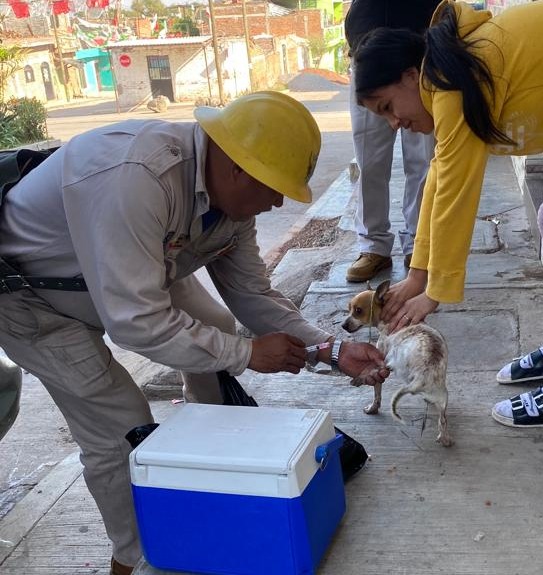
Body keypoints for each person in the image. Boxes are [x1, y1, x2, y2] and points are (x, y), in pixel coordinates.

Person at [0, 92, 388, 575]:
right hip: (31, 302)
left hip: (127, 275)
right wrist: (246, 353)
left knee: (218, 327)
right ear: (238, 168)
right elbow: (136, 322)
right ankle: (136, 558)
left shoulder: (232, 205)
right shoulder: (138, 179)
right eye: (274, 188)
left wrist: (329, 350)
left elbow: (252, 294)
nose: (277, 203)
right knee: (122, 428)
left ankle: (210, 461)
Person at [352, 0, 543, 427]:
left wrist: (435, 291)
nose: (393, 123)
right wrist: (418, 275)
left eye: (386, 107)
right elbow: (439, 178)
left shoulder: (452, 82)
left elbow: (455, 193)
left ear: (410, 76)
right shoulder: (448, 75)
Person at [343, 0, 439, 283]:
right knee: (369, 161)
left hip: (419, 49)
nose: (394, 120)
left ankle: (419, 242)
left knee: (424, 161)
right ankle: (373, 245)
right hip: (367, 50)